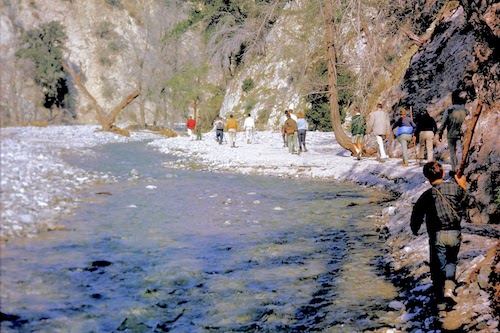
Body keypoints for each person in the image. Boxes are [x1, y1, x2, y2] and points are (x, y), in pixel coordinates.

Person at [411, 161, 469, 311]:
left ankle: (439, 297)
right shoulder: (455, 188)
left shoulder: (427, 195)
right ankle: (449, 289)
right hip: (455, 233)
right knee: (451, 261)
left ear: (427, 178)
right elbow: (469, 201)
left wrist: (415, 228)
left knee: (437, 265)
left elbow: (416, 213)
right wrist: (462, 185)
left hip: (437, 235)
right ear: (443, 174)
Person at [439, 90, 468, 173]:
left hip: (451, 134)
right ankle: (461, 168)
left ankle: (454, 169)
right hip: (461, 134)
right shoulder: (466, 111)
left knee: (452, 153)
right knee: (460, 151)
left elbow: (443, 123)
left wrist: (440, 133)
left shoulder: (449, 110)